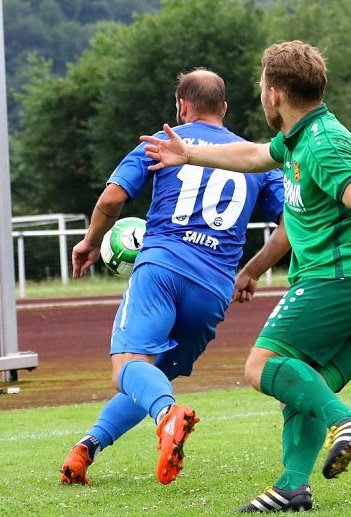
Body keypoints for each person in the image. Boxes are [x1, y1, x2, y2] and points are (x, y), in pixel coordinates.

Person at [140, 40, 351, 512]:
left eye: (259, 88)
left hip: (340, 282)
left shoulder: (322, 144)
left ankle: (345, 420)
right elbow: (254, 159)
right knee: (303, 383)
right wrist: (188, 154)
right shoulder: (299, 140)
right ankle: (292, 486)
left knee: (260, 367)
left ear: (273, 93)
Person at [60, 68, 285, 487]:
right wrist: (251, 271)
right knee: (154, 373)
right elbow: (291, 224)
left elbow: (112, 198)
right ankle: (87, 446)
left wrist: (92, 240)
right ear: (224, 108)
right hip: (214, 286)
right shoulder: (254, 156)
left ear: (182, 107)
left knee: (128, 366)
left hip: (162, 268)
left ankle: (168, 416)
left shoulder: (161, 142)